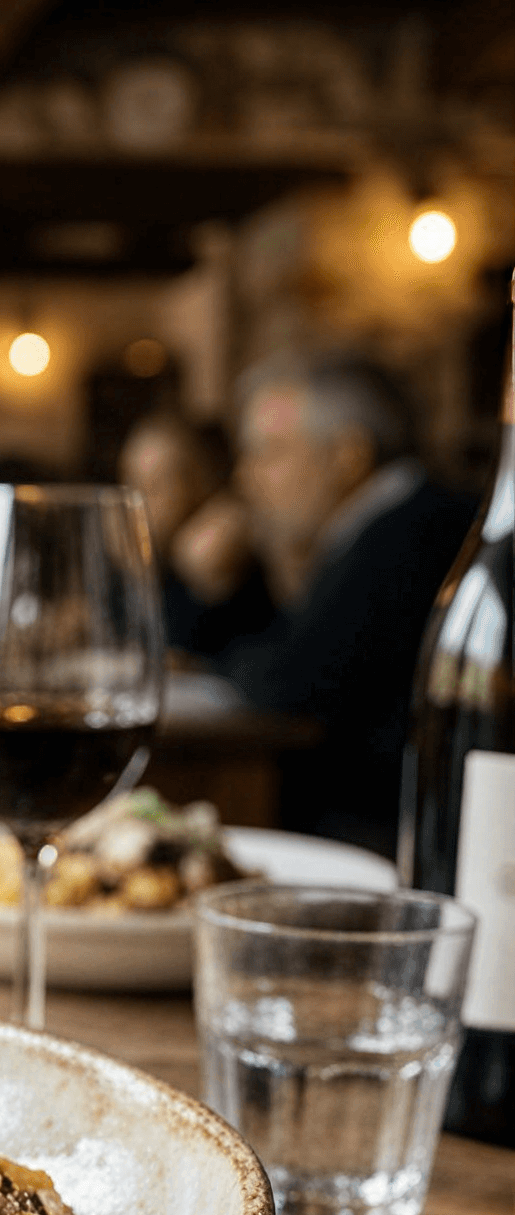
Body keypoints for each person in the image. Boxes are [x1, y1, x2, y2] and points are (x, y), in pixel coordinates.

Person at [220, 352, 476, 853]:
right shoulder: (403, 518)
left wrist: (223, 617)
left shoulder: (405, 535)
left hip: (394, 838)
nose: (246, 478)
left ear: (347, 456)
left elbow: (290, 682)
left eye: (271, 453)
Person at [117, 411, 275, 659]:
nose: (137, 500)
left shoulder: (222, 543)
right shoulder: (145, 555)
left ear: (199, 482)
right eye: (131, 481)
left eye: (157, 485)